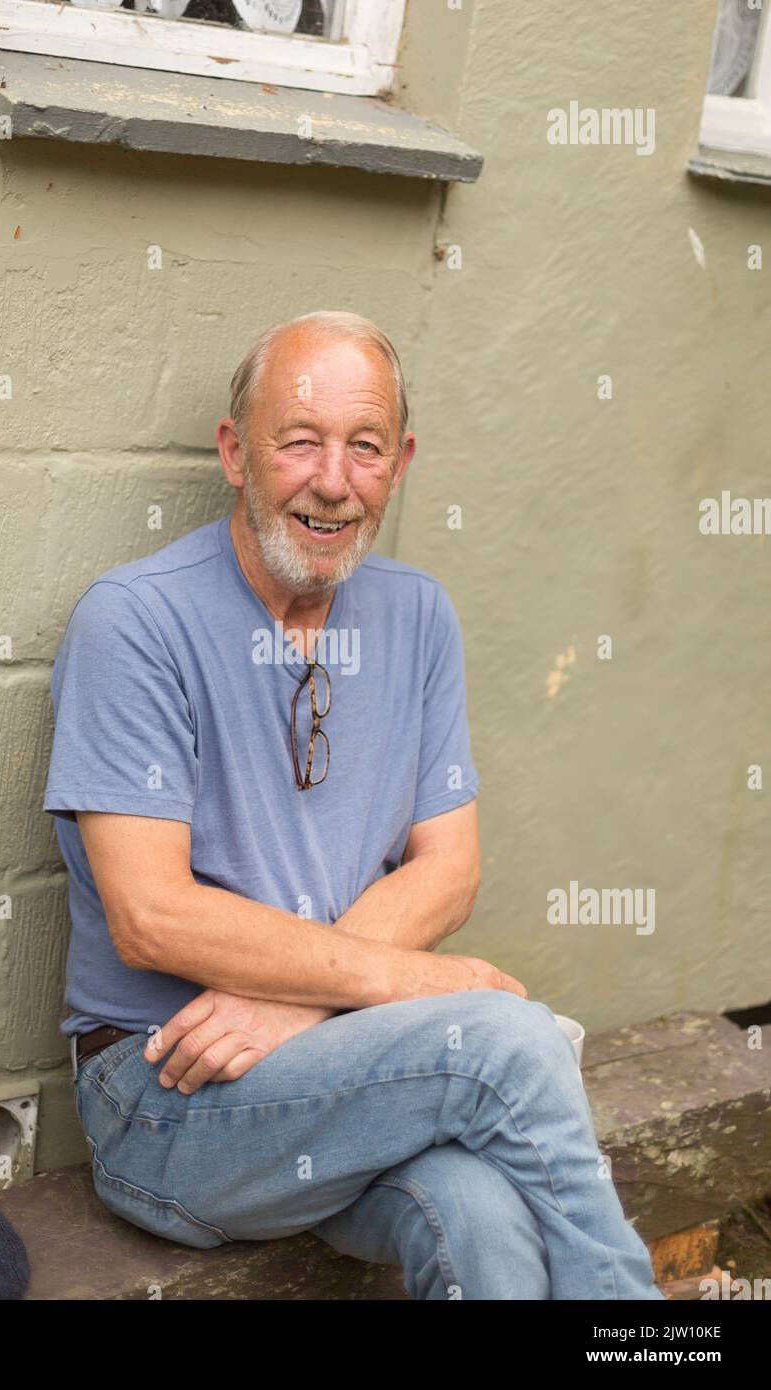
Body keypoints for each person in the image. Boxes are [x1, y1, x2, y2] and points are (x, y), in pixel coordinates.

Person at [43, 310, 663, 1300]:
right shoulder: (136, 623)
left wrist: (301, 999)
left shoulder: (416, 615)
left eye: (363, 448)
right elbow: (150, 915)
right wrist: (406, 984)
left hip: (329, 1080)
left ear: (399, 461)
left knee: (480, 1214)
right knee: (503, 1037)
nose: (331, 481)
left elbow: (447, 867)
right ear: (234, 452)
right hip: (168, 1102)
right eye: (298, 441)